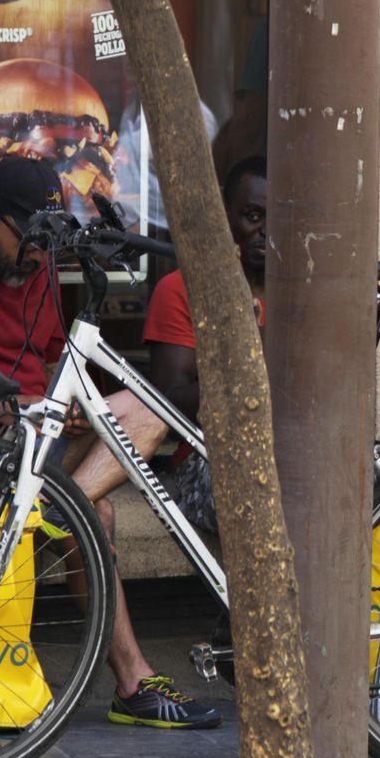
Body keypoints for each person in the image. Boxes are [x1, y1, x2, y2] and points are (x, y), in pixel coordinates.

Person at [0, 155, 220, 730]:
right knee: (99, 513)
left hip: (40, 444)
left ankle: (55, 507)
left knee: (148, 410)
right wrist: (3, 407)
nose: (39, 257)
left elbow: (54, 358)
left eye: (49, 243)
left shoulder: (33, 271)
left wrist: (77, 410)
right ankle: (133, 682)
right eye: (29, 240)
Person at [142, 156, 268, 535]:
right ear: (224, 217)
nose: (267, 231)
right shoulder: (180, 290)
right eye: (252, 216)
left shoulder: (303, 297)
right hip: (209, 459)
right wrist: (255, 372)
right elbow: (166, 402)